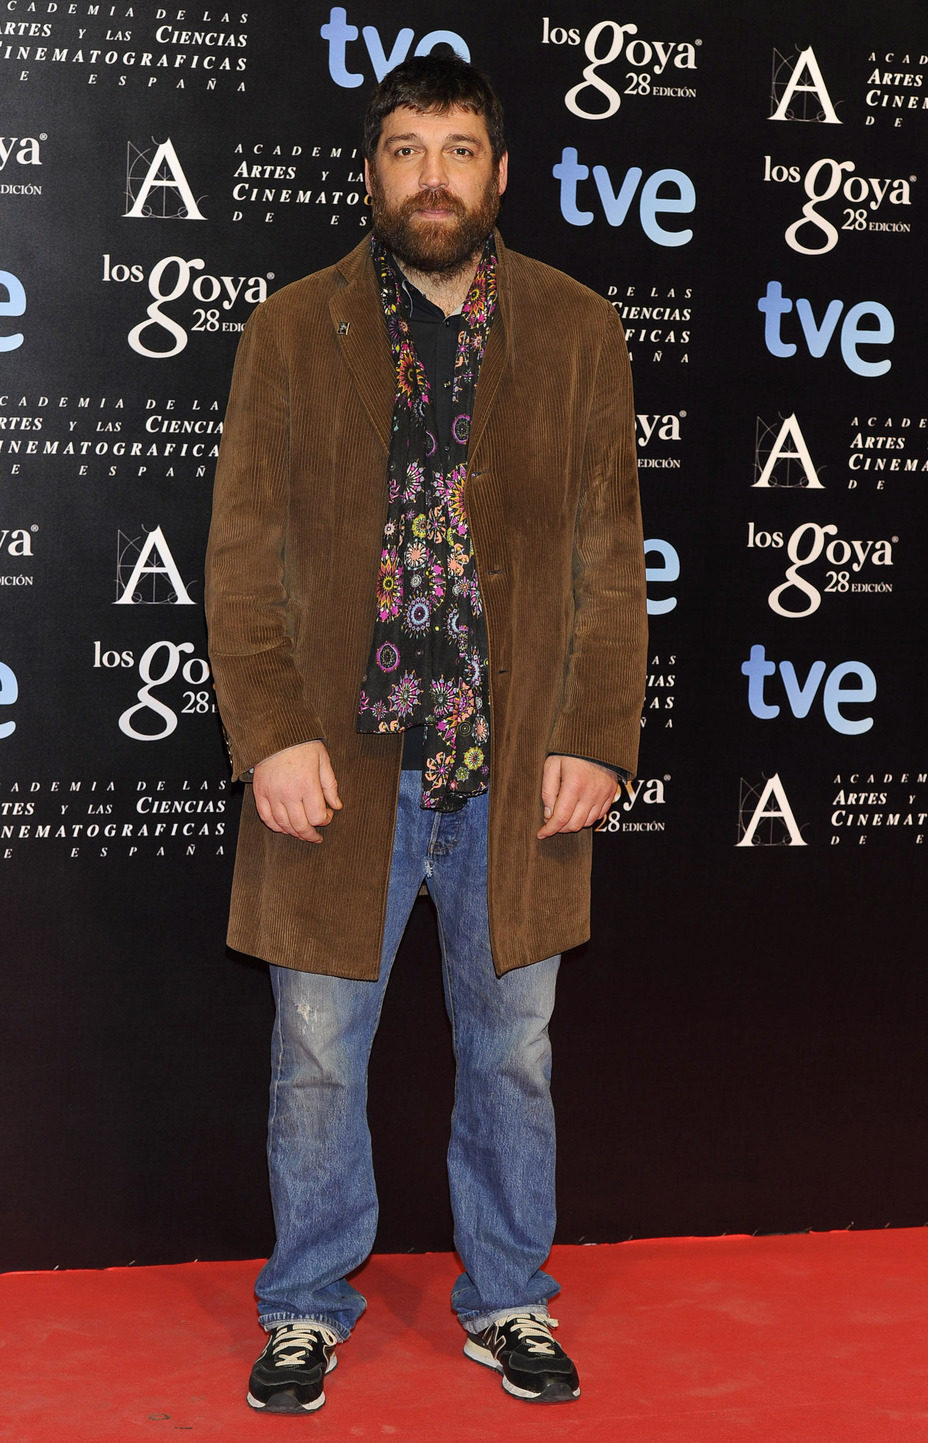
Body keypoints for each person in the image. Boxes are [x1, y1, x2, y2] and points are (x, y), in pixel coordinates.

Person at [205, 53, 646, 1415]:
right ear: (370, 173)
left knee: (513, 1054)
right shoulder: (293, 328)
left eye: (461, 150)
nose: (434, 177)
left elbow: (606, 555)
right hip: (345, 770)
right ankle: (305, 1306)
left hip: (515, 771)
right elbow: (244, 552)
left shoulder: (579, 329)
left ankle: (508, 1297)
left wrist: (597, 735)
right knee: (317, 1058)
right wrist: (271, 732)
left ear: (501, 175)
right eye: (406, 150)